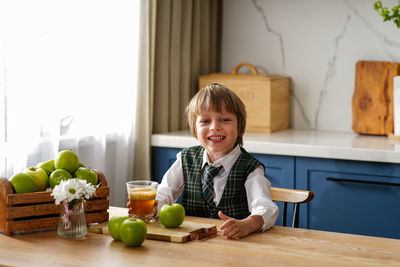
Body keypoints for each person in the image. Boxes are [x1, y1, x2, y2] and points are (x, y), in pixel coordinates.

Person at [129, 82, 278, 239]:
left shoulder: (251, 168)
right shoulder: (185, 159)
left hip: (233, 247)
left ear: (239, 126)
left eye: (225, 120)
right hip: (191, 245)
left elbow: (266, 207)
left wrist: (249, 224)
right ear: (195, 128)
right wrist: (151, 209)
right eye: (205, 121)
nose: (215, 127)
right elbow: (164, 194)